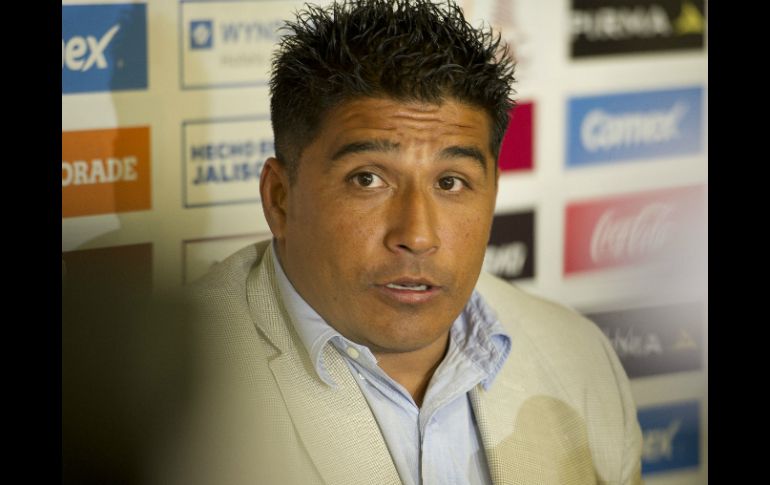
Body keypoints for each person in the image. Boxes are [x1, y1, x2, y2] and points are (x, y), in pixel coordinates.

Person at [187, 0, 643, 483]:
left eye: (450, 182)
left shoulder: (578, 356)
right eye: (367, 179)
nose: (418, 236)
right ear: (280, 199)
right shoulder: (171, 393)